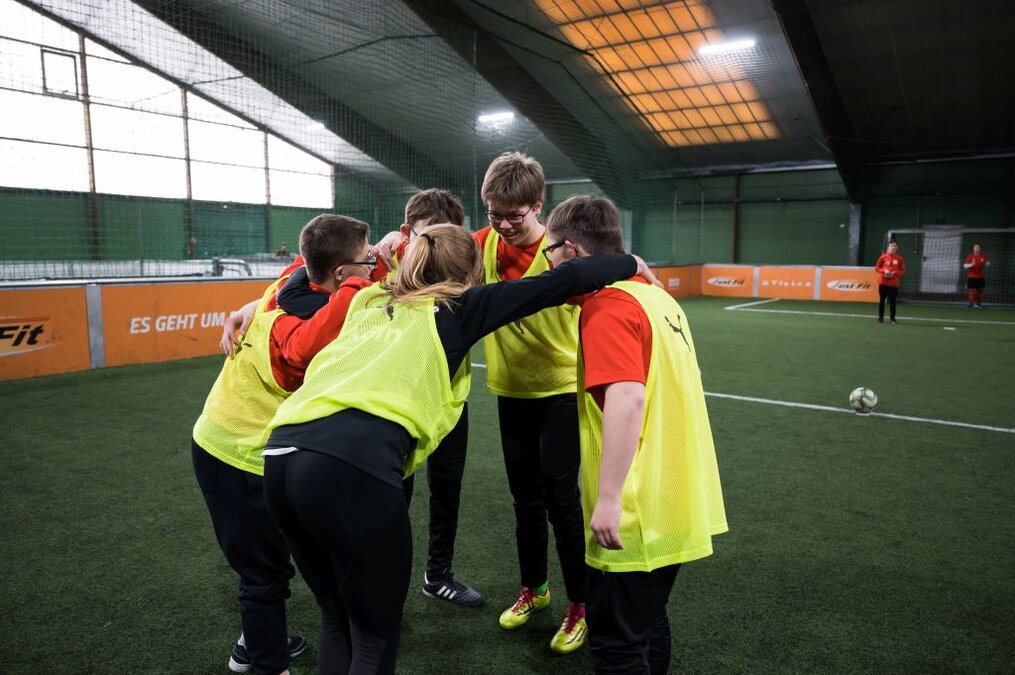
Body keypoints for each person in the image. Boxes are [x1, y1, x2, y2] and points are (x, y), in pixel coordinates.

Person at [260, 224, 657, 674]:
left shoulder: (367, 298)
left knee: (338, 621)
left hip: (281, 456)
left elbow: (295, 292)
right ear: (470, 274)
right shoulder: (459, 307)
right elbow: (560, 281)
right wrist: (630, 262)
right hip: (352, 466)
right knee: (373, 639)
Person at [545, 195, 728, 675]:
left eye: (550, 252)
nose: (548, 265)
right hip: (675, 498)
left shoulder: (607, 307)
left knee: (616, 644)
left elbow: (627, 397)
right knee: (647, 624)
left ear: (572, 251)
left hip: (635, 508)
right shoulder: (657, 297)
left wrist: (608, 499)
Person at [192, 214, 375, 675]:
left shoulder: (288, 283)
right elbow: (321, 329)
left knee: (281, 557)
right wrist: (362, 284)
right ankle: (266, 663)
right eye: (365, 262)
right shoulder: (296, 336)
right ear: (340, 274)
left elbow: (308, 261)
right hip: (233, 453)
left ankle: (258, 640)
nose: (372, 266)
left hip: (254, 451)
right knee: (263, 573)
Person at [478, 152, 589, 654]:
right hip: (511, 393)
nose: (502, 225)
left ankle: (580, 605)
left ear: (538, 206)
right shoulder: (482, 244)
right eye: (493, 214)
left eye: (513, 216)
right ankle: (535, 589)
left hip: (561, 392)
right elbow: (425, 249)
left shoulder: (564, 250)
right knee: (524, 501)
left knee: (562, 504)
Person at [875, 240, 905, 324]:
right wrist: (884, 271)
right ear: (888, 247)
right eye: (891, 246)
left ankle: (892, 319)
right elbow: (877, 268)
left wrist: (894, 273)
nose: (893, 247)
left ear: (897, 248)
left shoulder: (899, 259)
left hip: (893, 283)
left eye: (894, 246)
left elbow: (902, 271)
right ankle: (880, 318)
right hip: (883, 282)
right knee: (882, 300)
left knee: (893, 301)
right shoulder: (883, 257)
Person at [963, 242, 990, 308]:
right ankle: (971, 304)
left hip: (981, 277)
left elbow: (988, 263)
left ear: (980, 248)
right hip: (972, 277)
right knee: (972, 292)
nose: (977, 248)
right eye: (975, 247)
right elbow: (965, 266)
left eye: (978, 247)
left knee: (980, 292)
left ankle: (978, 304)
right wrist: (971, 264)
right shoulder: (970, 257)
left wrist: (987, 263)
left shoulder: (984, 256)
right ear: (973, 248)